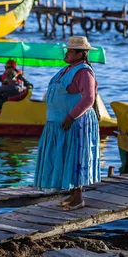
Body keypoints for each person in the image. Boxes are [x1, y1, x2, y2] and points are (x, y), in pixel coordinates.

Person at [34, 36, 100, 210]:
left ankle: (78, 198)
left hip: (76, 123)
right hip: (59, 124)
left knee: (75, 157)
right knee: (65, 157)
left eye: (70, 51)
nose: (67, 53)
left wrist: (71, 116)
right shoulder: (67, 70)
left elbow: (89, 99)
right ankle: (71, 196)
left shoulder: (84, 72)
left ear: (79, 55)